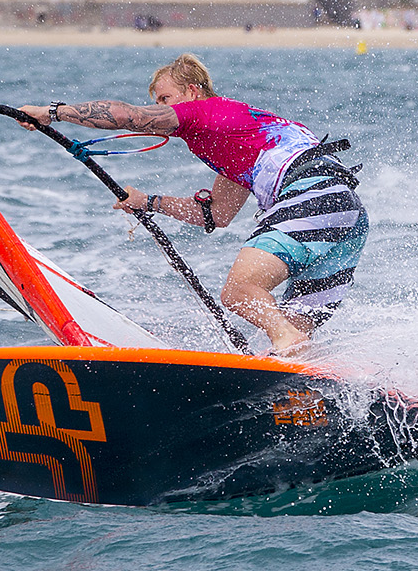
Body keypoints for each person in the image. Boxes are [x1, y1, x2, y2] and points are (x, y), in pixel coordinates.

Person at [19, 53, 365, 356]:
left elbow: (129, 116)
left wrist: (52, 113)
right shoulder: (235, 133)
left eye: (165, 98)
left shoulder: (207, 111)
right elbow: (216, 214)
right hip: (346, 214)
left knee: (240, 292)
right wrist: (148, 202)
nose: (160, 108)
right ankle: (305, 387)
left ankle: (287, 340)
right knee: (293, 327)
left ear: (192, 92)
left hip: (313, 196)